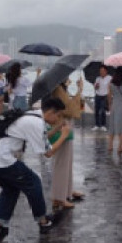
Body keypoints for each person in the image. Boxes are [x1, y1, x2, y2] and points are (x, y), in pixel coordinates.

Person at [0, 97, 63, 241]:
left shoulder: (29, 115)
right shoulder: (36, 123)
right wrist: (63, 135)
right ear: (50, 112)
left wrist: (56, 128)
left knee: (11, 189)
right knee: (34, 183)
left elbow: (40, 139)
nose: (59, 118)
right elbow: (48, 153)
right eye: (58, 115)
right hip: (3, 161)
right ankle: (43, 222)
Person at [49, 78, 86, 209]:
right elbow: (69, 108)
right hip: (62, 126)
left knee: (67, 162)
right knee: (62, 163)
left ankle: (66, 191)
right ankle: (59, 197)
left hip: (65, 126)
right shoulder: (58, 89)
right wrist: (79, 90)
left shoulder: (61, 88)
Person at [107, 66, 122, 153]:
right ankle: (120, 147)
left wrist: (109, 105)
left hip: (114, 104)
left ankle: (110, 146)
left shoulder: (111, 82)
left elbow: (109, 95)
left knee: (112, 125)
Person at [93, 65, 112, 130]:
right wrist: (96, 86)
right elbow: (95, 87)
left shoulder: (109, 78)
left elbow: (111, 87)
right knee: (96, 110)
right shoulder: (98, 78)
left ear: (106, 71)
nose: (101, 72)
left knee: (103, 110)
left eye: (102, 71)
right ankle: (97, 125)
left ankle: (103, 125)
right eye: (100, 71)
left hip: (105, 96)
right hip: (98, 95)